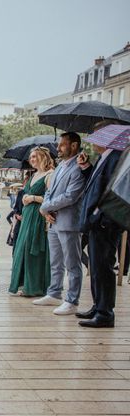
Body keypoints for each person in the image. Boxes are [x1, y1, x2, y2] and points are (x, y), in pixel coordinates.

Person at [75, 123, 124, 328]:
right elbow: (95, 186)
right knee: (96, 267)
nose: (91, 139)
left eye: (94, 134)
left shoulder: (115, 158)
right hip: (96, 223)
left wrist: (102, 219)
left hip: (104, 223)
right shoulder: (103, 158)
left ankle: (105, 313)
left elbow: (114, 190)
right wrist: (86, 168)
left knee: (103, 267)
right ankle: (98, 306)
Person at [34, 135, 85, 315]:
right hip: (53, 222)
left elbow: (71, 196)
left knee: (72, 263)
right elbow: (49, 191)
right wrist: (46, 210)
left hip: (69, 222)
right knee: (55, 261)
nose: (59, 148)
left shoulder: (79, 168)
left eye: (62, 145)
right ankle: (54, 292)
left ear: (74, 145)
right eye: (59, 145)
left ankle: (72, 300)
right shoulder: (59, 167)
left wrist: (45, 207)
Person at [9, 148, 54, 297]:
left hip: (39, 216)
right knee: (22, 248)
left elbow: (52, 198)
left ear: (43, 157)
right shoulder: (34, 175)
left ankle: (34, 286)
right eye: (30, 157)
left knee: (33, 248)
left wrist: (34, 198)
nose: (31, 159)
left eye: (34, 156)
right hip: (27, 216)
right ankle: (24, 283)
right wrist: (25, 197)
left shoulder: (50, 175)